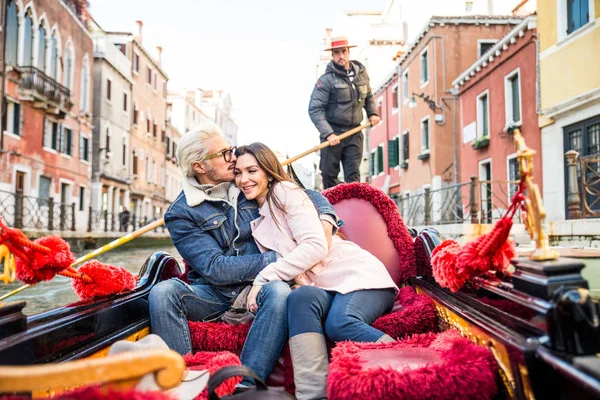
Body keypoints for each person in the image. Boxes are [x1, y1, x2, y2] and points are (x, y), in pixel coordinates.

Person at [148, 121, 340, 388]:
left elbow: (304, 194)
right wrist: (278, 259)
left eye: (232, 149)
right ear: (200, 166)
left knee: (279, 293)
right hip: (214, 294)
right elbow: (215, 268)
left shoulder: (247, 181)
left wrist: (326, 221)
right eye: (225, 153)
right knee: (163, 292)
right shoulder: (180, 213)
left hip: (263, 287)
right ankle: (184, 383)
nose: (233, 158)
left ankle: (246, 385)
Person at [234, 143, 397, 400]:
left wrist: (263, 277)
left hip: (358, 276)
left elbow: (315, 246)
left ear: (268, 170)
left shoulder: (285, 191)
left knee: (339, 323)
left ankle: (407, 361)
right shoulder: (260, 216)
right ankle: (313, 395)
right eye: (238, 172)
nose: (244, 179)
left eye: (252, 170)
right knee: (300, 299)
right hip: (324, 286)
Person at [309, 36, 380, 189]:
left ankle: (352, 209)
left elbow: (368, 97)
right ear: (332, 55)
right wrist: (328, 133)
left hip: (354, 132)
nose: (340, 56)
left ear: (348, 52)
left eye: (343, 51)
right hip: (333, 133)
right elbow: (315, 109)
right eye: (336, 53)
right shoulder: (326, 80)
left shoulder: (361, 74)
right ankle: (332, 207)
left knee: (353, 176)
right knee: (328, 175)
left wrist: (372, 113)